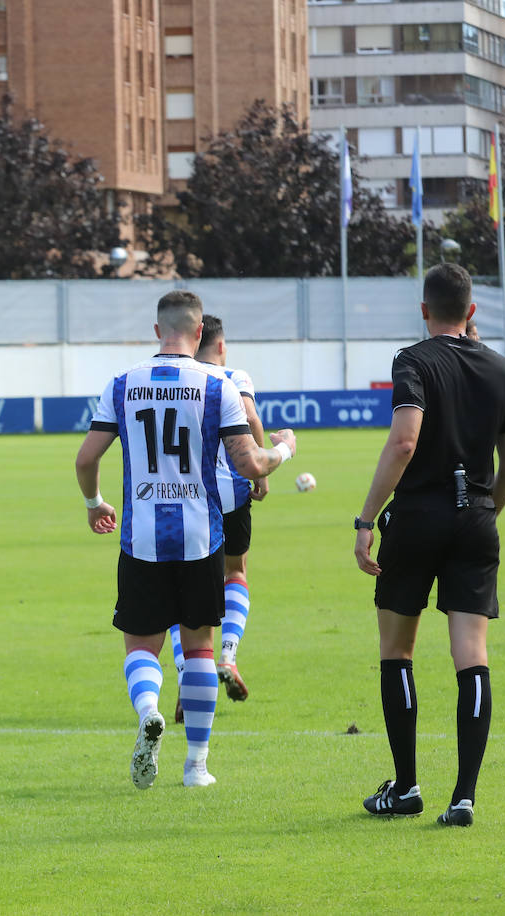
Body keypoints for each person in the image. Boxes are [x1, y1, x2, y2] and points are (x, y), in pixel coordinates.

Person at [74, 291, 297, 790]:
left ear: (157, 331)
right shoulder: (217, 383)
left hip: (141, 537)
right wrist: (282, 449)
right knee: (199, 648)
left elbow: (85, 460)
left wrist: (95, 505)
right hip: (200, 536)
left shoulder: (122, 383)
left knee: (141, 644)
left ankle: (150, 710)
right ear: (200, 334)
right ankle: (196, 766)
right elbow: (249, 464)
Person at [354, 264, 505, 827]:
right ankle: (463, 797)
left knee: (396, 651)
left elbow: (404, 442)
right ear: (472, 311)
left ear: (425, 311)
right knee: (471, 657)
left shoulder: (413, 360)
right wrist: (483, 513)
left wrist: (366, 519)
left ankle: (405, 789)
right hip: (476, 516)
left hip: (418, 515)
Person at [167, 315, 267, 721]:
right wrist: (259, 471)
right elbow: (250, 416)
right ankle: (227, 655)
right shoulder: (233, 375)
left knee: (177, 587)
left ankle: (185, 675)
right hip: (231, 490)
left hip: (189, 495)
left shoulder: (181, 377)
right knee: (235, 571)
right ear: (221, 345)